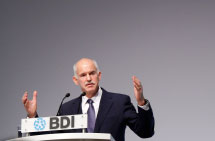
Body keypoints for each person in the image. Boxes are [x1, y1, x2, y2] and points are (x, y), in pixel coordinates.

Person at [22, 58, 155, 141]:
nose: (89, 78)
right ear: (76, 80)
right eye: (83, 75)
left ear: (99, 75)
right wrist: (32, 116)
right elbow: (49, 138)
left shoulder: (119, 102)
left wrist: (141, 102)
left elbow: (145, 132)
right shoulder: (67, 108)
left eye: (92, 73)